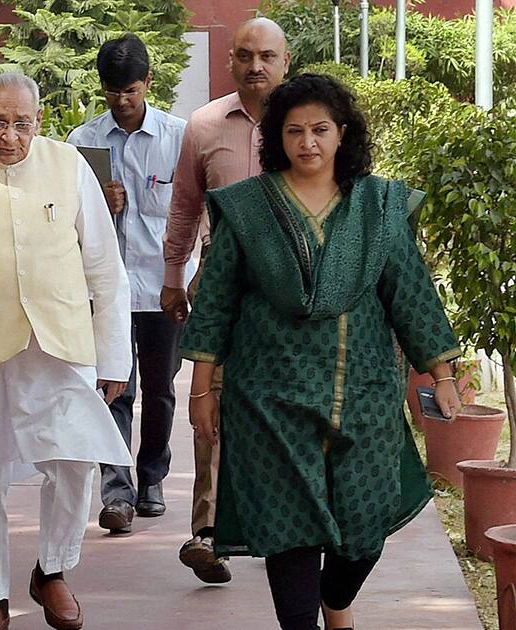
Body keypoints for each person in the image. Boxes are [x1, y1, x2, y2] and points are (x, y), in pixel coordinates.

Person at [179, 72, 463, 630]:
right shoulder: (247, 209)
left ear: (342, 134)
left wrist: (442, 373)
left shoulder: (378, 206)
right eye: (294, 131)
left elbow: (408, 291)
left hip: (364, 392)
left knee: (364, 528)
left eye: (320, 129)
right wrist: (202, 390)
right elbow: (215, 301)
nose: (307, 142)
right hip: (269, 396)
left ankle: (337, 601)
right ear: (276, 139)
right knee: (291, 528)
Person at [0, 72, 132, 630]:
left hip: (60, 341)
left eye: (21, 123)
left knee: (75, 459)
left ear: (39, 122)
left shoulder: (69, 167)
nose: (9, 135)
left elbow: (105, 268)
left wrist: (115, 358)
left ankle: (53, 570)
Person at [161, 16, 289, 584]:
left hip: (298, 283)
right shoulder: (204, 124)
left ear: (286, 62)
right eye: (244, 55)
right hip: (222, 279)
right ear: (230, 61)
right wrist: (172, 274)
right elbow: (186, 205)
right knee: (208, 395)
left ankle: (287, 520)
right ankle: (207, 531)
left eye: (266, 56)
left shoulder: (308, 124)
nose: (254, 66)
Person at [66, 34, 189, 533]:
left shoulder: (179, 138)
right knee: (114, 389)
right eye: (113, 91)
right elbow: (67, 221)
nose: (121, 101)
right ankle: (116, 492)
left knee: (160, 390)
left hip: (164, 289)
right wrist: (98, 201)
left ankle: (152, 477)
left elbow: (194, 211)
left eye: (131, 91)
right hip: (107, 291)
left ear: (149, 84)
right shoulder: (82, 143)